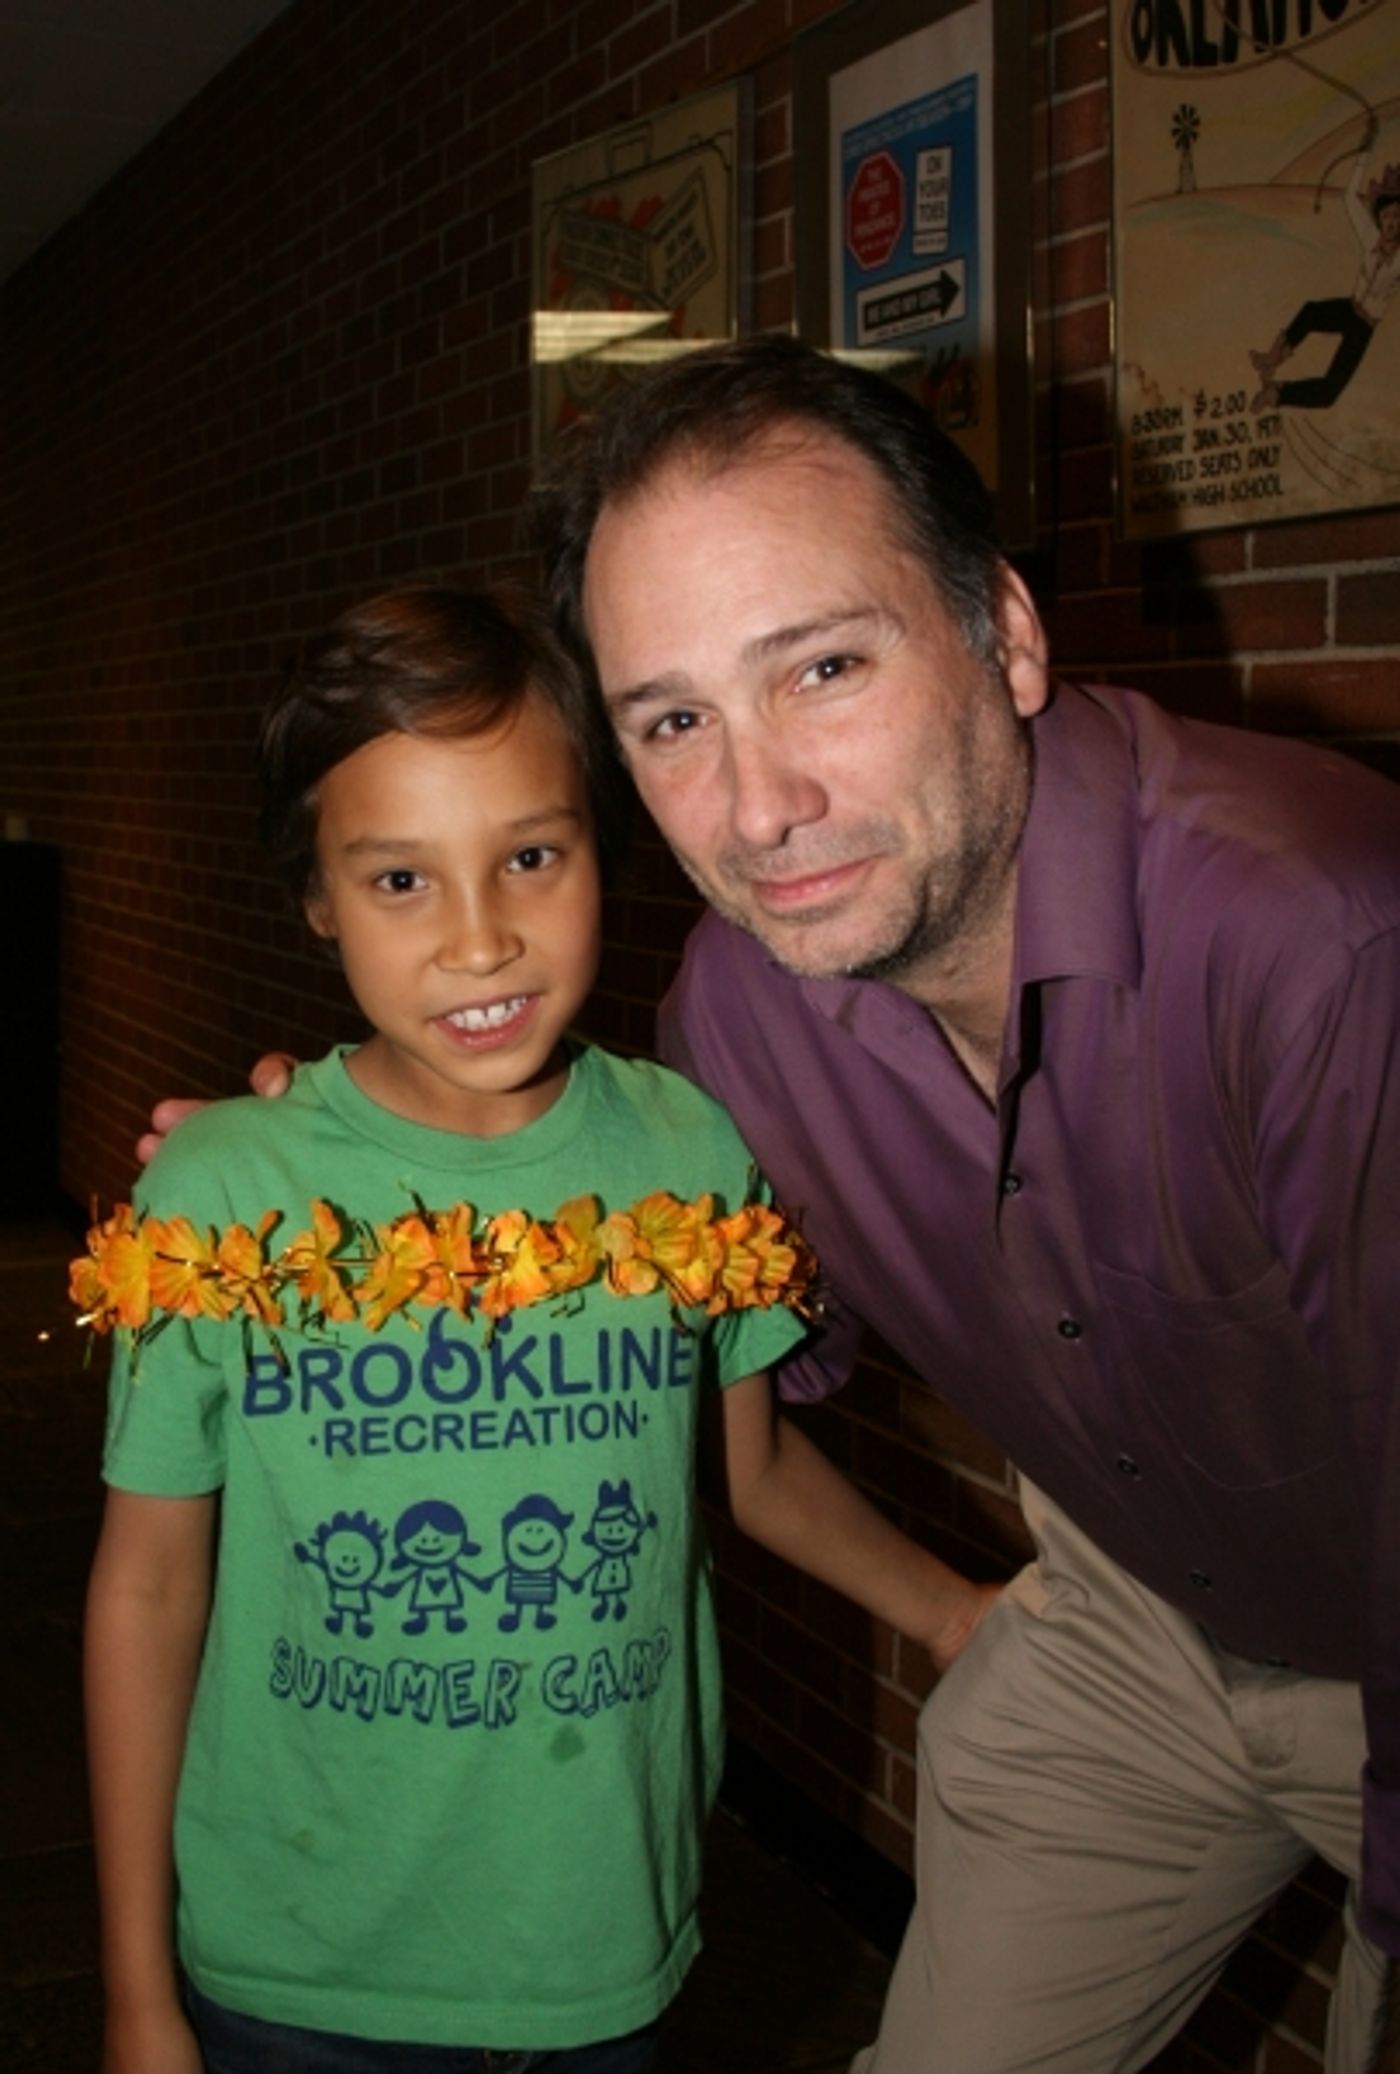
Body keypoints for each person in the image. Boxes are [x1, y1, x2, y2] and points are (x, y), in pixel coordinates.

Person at [526, 335, 1400, 2072]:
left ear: (1003, 636)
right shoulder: (741, 1008)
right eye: (674, 721)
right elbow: (741, 1336)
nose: (759, 807)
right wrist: (374, 1167)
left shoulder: (1323, 941)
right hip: (1137, 1609)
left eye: (825, 666)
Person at [84, 585, 970, 2074]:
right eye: (399, 882)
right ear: (315, 897)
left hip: (600, 1950)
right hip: (299, 1962)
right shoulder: (225, 1188)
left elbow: (752, 1476)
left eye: (532, 857)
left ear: (600, 848)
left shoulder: (687, 1144)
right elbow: (148, 1591)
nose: (481, 940)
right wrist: (133, 1989)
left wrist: (951, 1605)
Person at [1249, 133, 1400, 414]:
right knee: (1310, 311)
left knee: (1330, 392)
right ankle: (1273, 357)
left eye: (1398, 216)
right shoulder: (1370, 237)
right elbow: (1349, 198)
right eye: (1387, 215)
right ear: (1379, 217)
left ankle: (1277, 393)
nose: (1391, 222)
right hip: (1349, 308)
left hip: (1364, 327)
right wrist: (1363, 155)